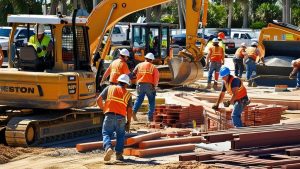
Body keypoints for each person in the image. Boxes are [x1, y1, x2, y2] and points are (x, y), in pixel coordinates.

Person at [97, 74, 133, 161]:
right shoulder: (128, 95)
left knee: (106, 133)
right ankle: (119, 155)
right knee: (120, 136)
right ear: (127, 84)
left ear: (118, 81)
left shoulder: (109, 88)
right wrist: (128, 122)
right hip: (121, 118)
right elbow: (129, 110)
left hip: (109, 115)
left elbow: (98, 100)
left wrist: (104, 109)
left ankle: (108, 148)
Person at [131, 53, 159, 122]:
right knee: (151, 101)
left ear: (145, 58)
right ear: (152, 60)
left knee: (139, 99)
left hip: (140, 84)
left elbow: (133, 73)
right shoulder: (153, 67)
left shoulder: (139, 65)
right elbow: (156, 77)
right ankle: (150, 117)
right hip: (149, 86)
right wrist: (155, 86)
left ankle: (133, 113)